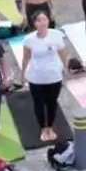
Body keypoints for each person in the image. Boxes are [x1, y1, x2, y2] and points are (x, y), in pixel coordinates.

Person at [20, 12, 69, 141]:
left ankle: (50, 127)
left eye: (44, 19)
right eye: (39, 20)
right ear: (34, 23)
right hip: (36, 77)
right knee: (39, 104)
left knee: (52, 103)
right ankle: (43, 128)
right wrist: (22, 74)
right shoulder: (29, 39)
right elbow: (26, 58)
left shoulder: (56, 35)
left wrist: (65, 68)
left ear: (48, 21)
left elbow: (63, 53)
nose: (42, 23)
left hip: (54, 76)